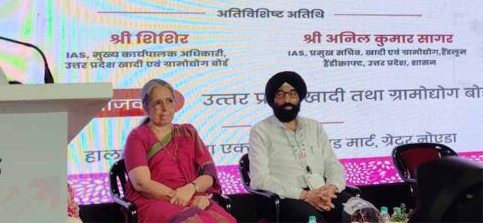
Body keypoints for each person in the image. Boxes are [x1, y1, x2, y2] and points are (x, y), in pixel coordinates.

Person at [123, 78, 236, 223]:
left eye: (169, 101)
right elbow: (141, 184)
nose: (165, 108)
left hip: (192, 194)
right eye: (157, 103)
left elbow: (208, 175)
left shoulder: (188, 132)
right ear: (146, 107)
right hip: (154, 200)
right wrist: (186, 199)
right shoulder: (137, 137)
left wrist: (192, 188)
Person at [249, 71, 353, 223]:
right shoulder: (260, 131)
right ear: (272, 99)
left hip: (323, 193)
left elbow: (332, 163)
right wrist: (304, 195)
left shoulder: (313, 126)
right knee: (313, 220)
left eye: (293, 94)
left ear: (299, 98)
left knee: (362, 213)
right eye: (280, 94)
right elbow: (260, 179)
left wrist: (331, 188)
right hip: (289, 197)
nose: (287, 100)